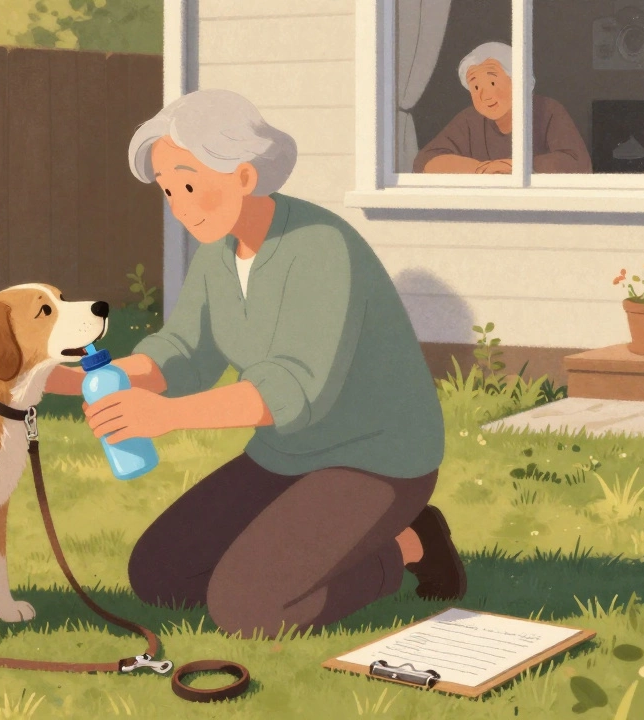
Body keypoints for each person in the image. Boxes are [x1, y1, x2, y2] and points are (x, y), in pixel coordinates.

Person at [44, 89, 466, 640]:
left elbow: (293, 387)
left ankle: (409, 545)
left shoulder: (320, 248)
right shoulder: (219, 253)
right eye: (169, 191)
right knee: (160, 577)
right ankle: (299, 551)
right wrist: (92, 380)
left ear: (244, 175)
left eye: (190, 185)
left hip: (374, 460)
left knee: (249, 608)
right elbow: (186, 352)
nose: (180, 205)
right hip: (285, 455)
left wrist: (165, 418)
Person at [414, 41, 592, 174]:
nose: (485, 95)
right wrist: (480, 169)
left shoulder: (548, 111)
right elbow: (425, 160)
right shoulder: (469, 120)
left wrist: (514, 167)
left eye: (492, 82)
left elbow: (577, 163)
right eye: (475, 87)